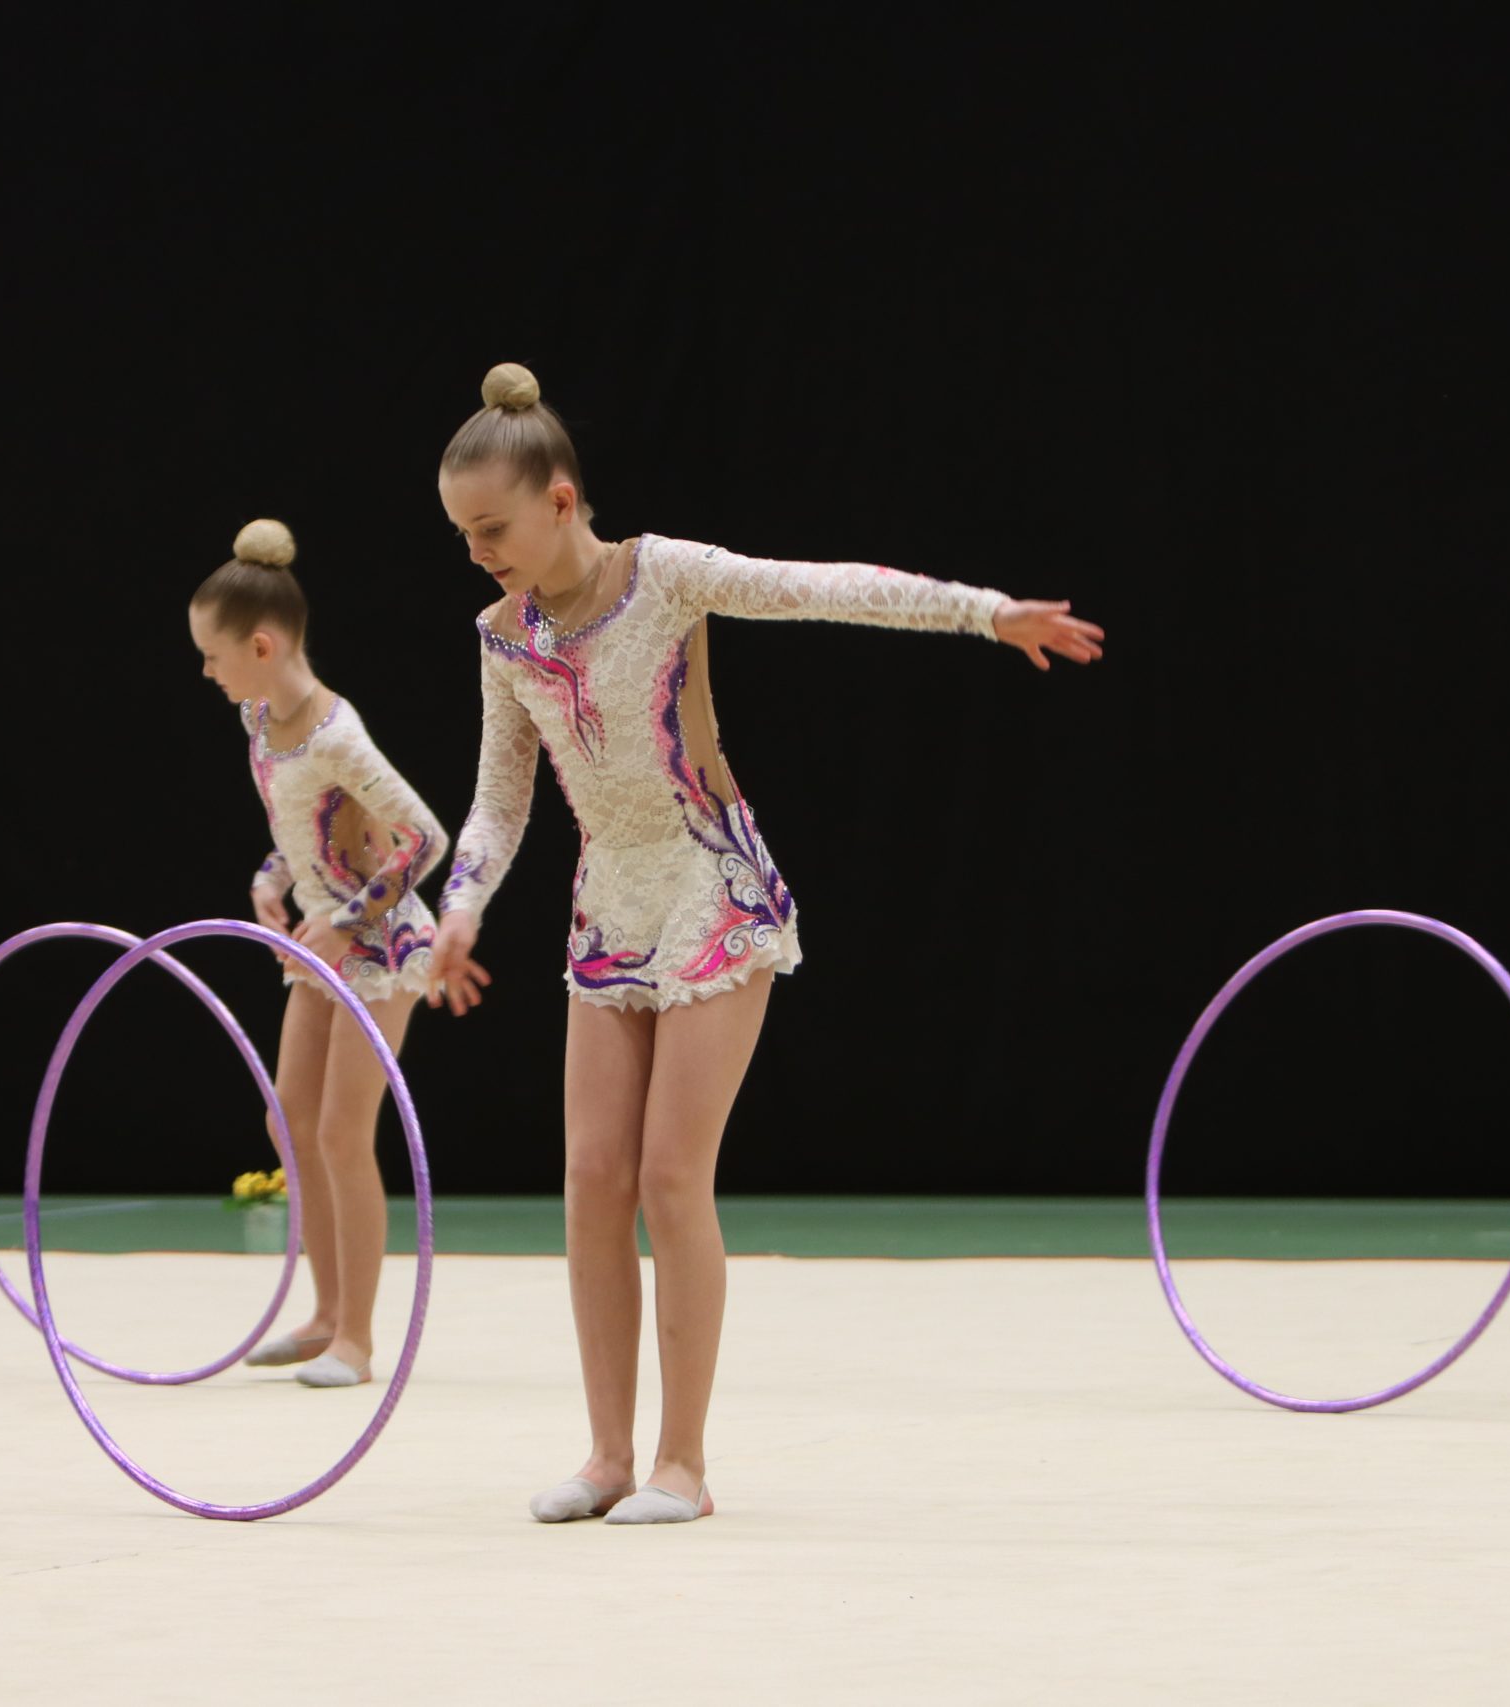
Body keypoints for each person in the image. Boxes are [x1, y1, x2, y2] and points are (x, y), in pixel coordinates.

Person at [425, 363, 1106, 1521]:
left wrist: (984, 611)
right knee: (591, 1181)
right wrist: (462, 906)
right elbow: (499, 798)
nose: (475, 551)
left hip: (710, 885)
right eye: (461, 533)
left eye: (490, 527)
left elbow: (818, 588)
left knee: (668, 1176)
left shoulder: (664, 574)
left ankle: (683, 1465)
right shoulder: (503, 636)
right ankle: (607, 1456)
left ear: (559, 500)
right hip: (608, 909)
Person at [189, 519, 448, 1388]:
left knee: (342, 1131)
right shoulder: (260, 717)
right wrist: (272, 876)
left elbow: (423, 838)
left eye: (213, 655)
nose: (207, 672)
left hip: (378, 941)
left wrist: (344, 916)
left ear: (261, 646)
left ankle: (358, 1340)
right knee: (288, 1121)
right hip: (320, 937)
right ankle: (325, 1312)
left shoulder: (339, 734)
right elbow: (301, 824)